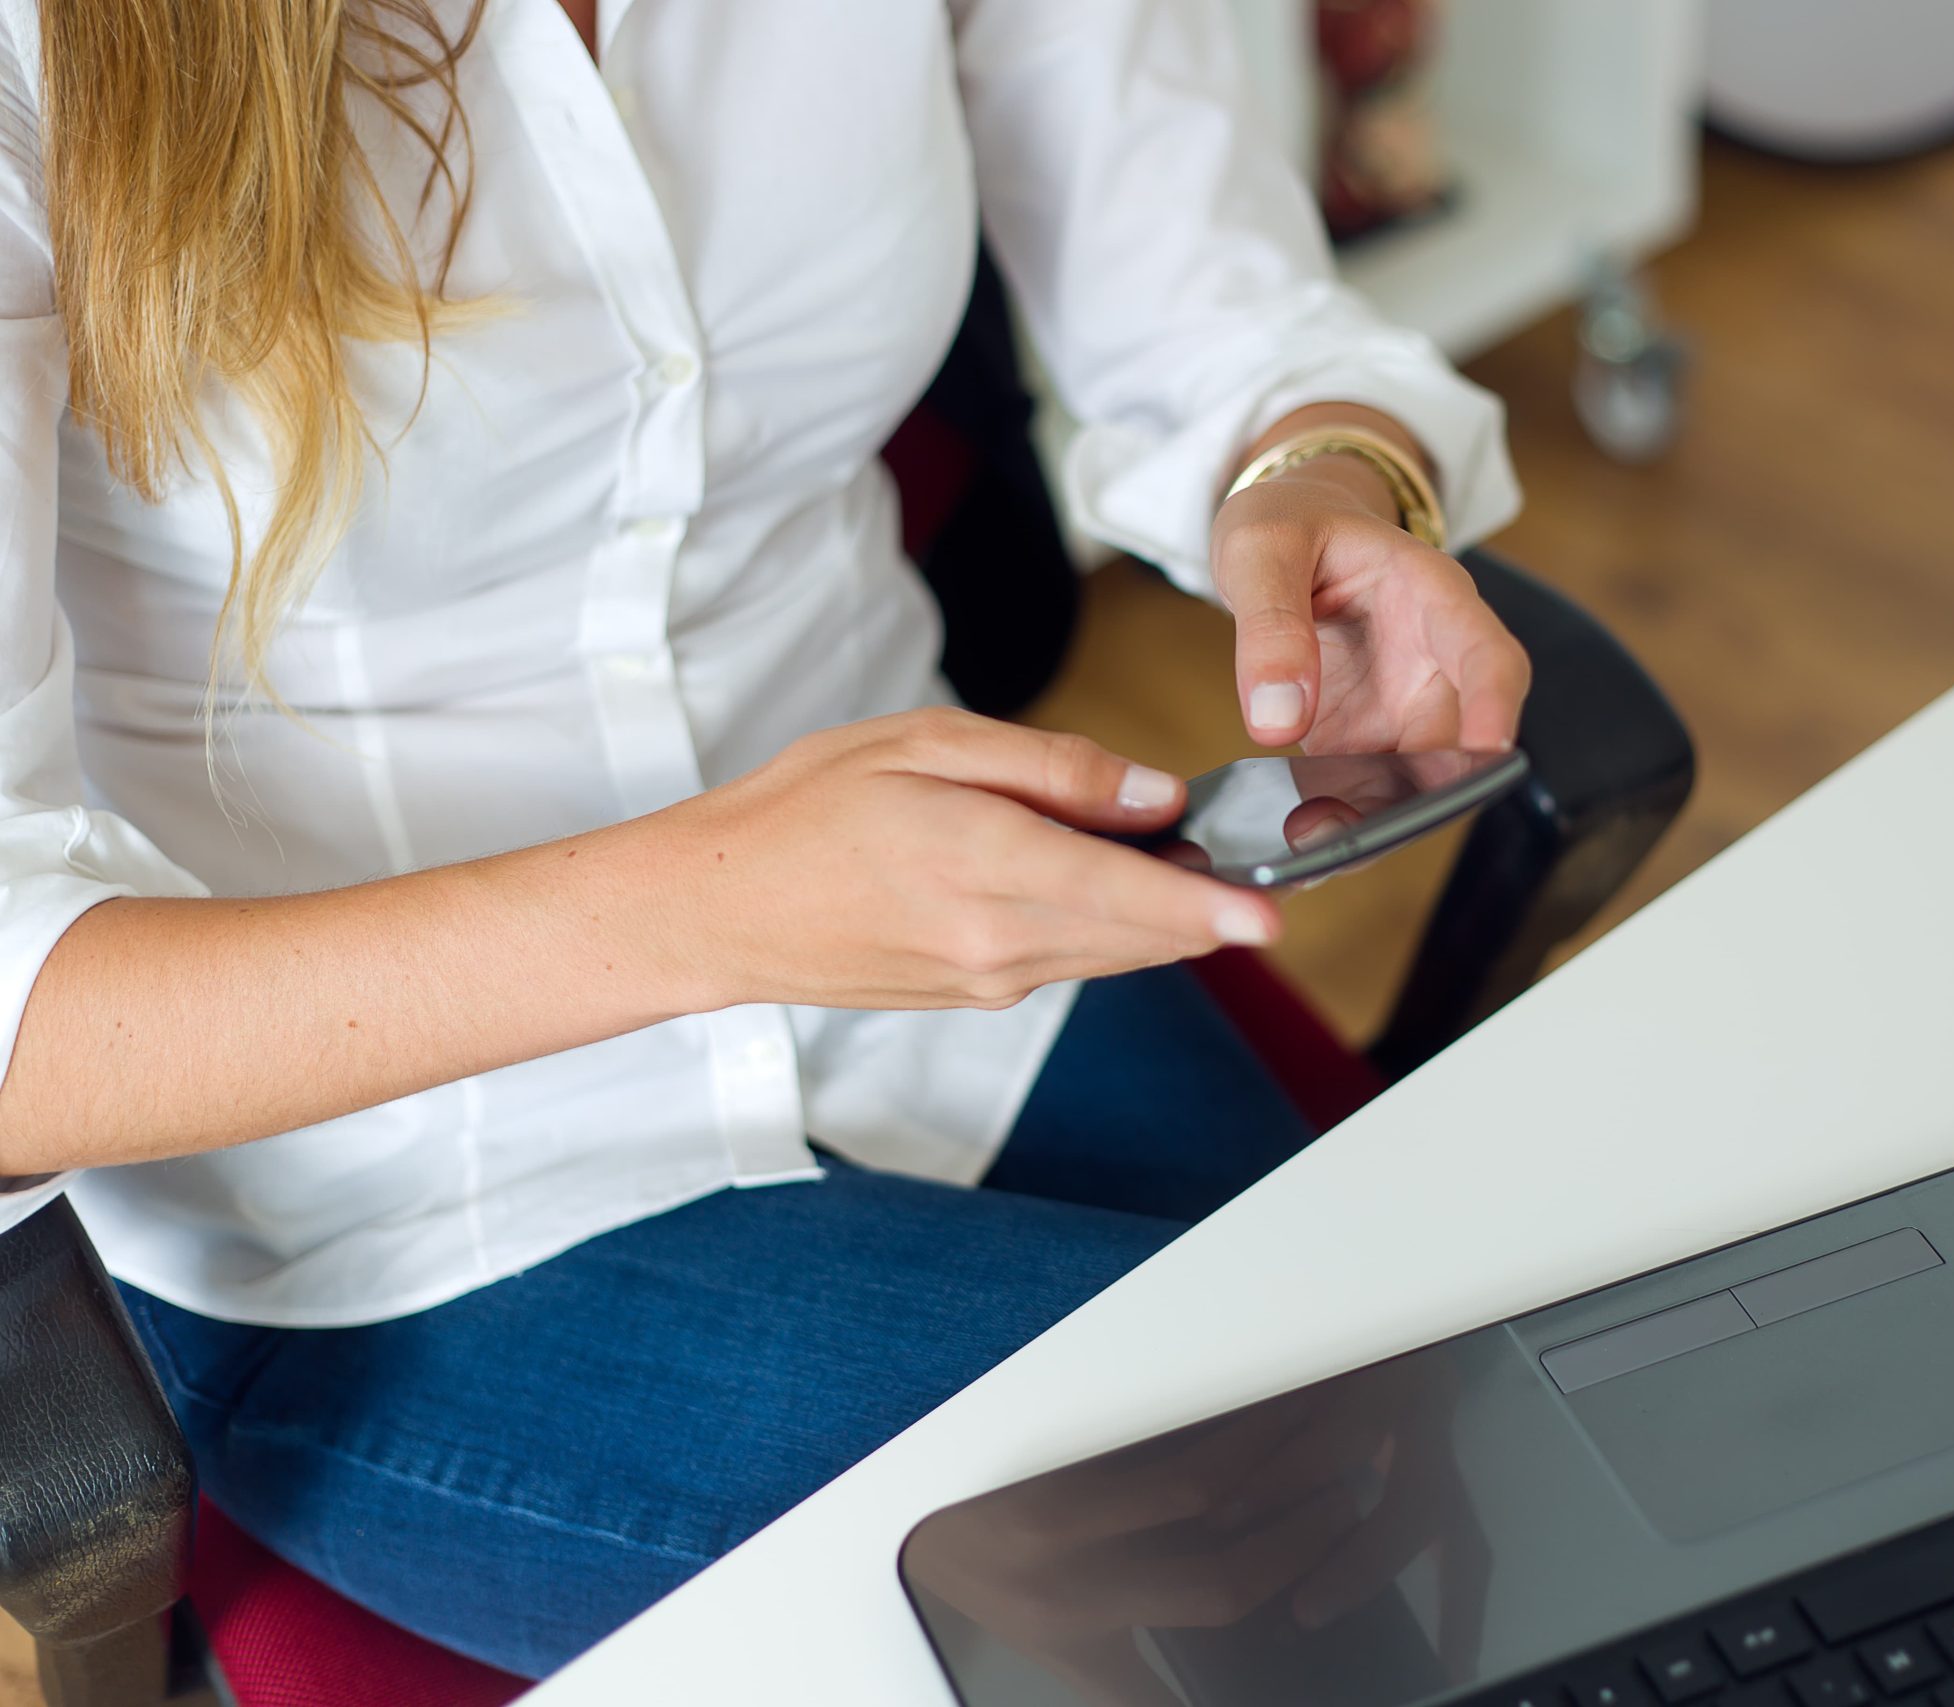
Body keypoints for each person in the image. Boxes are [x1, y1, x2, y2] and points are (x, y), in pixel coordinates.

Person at [0, 0, 1527, 1678]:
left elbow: (1211, 306)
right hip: (375, 1193)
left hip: (945, 961)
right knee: (1257, 1572)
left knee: (1463, 1462)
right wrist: (710, 907)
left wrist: (1323, 474)